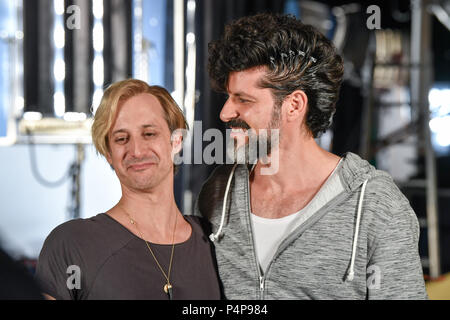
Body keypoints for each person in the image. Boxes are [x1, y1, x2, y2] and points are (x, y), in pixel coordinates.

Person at [195, 13, 428, 299]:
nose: (225, 113)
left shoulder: (376, 206)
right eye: (229, 97)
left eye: (243, 100)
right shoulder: (219, 191)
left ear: (294, 105)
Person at [35, 79, 221, 300]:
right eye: (122, 138)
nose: (137, 150)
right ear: (109, 154)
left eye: (149, 134)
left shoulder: (215, 241)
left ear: (176, 141)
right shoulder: (72, 245)